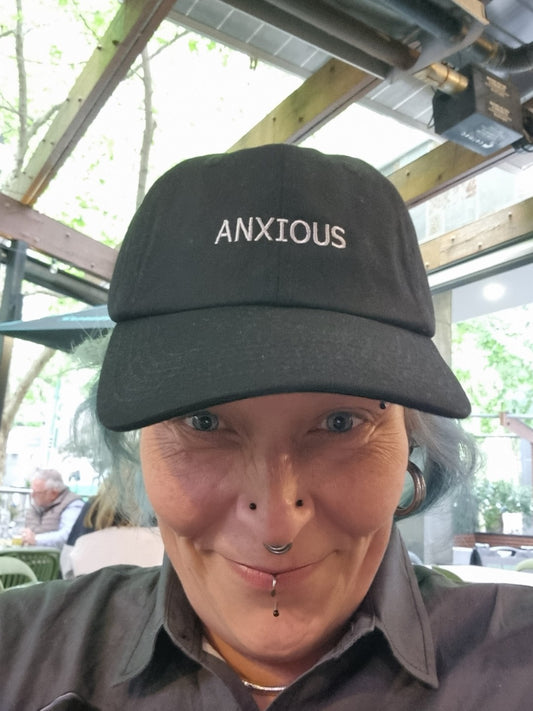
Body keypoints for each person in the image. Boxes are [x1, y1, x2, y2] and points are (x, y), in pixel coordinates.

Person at [0, 144, 532, 710]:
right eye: (204, 421)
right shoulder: (16, 648)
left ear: (412, 439)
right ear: (138, 446)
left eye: (339, 423)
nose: (277, 523)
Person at [21, 467, 84, 549]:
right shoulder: (38, 505)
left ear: (53, 493)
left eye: (37, 493)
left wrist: (36, 539)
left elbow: (68, 535)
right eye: (32, 491)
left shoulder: (73, 505)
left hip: (57, 555)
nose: (32, 496)